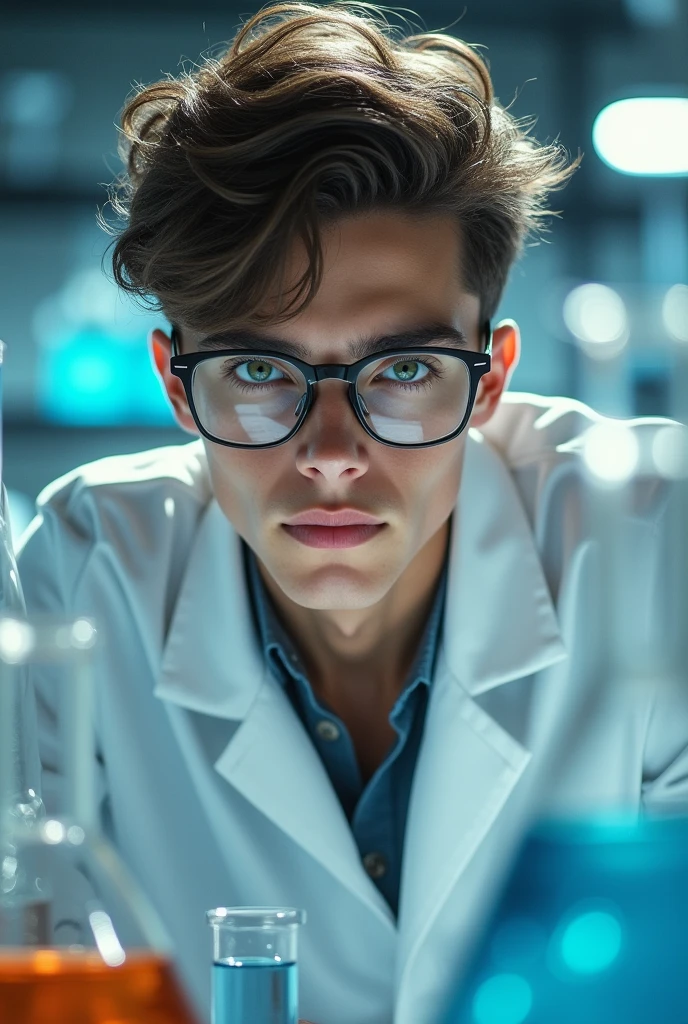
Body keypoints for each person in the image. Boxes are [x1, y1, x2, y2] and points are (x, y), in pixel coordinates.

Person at [17, 5, 688, 1024]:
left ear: (493, 377)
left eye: (406, 368)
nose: (331, 451)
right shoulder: (87, 568)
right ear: (173, 382)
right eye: (256, 368)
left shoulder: (652, 547)